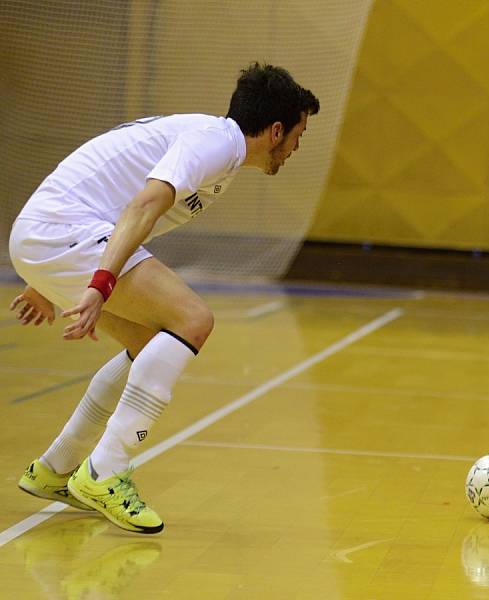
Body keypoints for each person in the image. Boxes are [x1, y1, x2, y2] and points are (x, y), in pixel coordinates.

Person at [8, 62, 319, 534]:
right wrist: (98, 284)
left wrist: (47, 274)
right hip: (64, 230)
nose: (297, 147)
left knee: (150, 343)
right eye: (298, 134)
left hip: (53, 231)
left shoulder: (218, 147)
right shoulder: (215, 143)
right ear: (276, 130)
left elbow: (114, 190)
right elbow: (143, 205)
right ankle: (105, 472)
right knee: (194, 319)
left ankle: (56, 468)